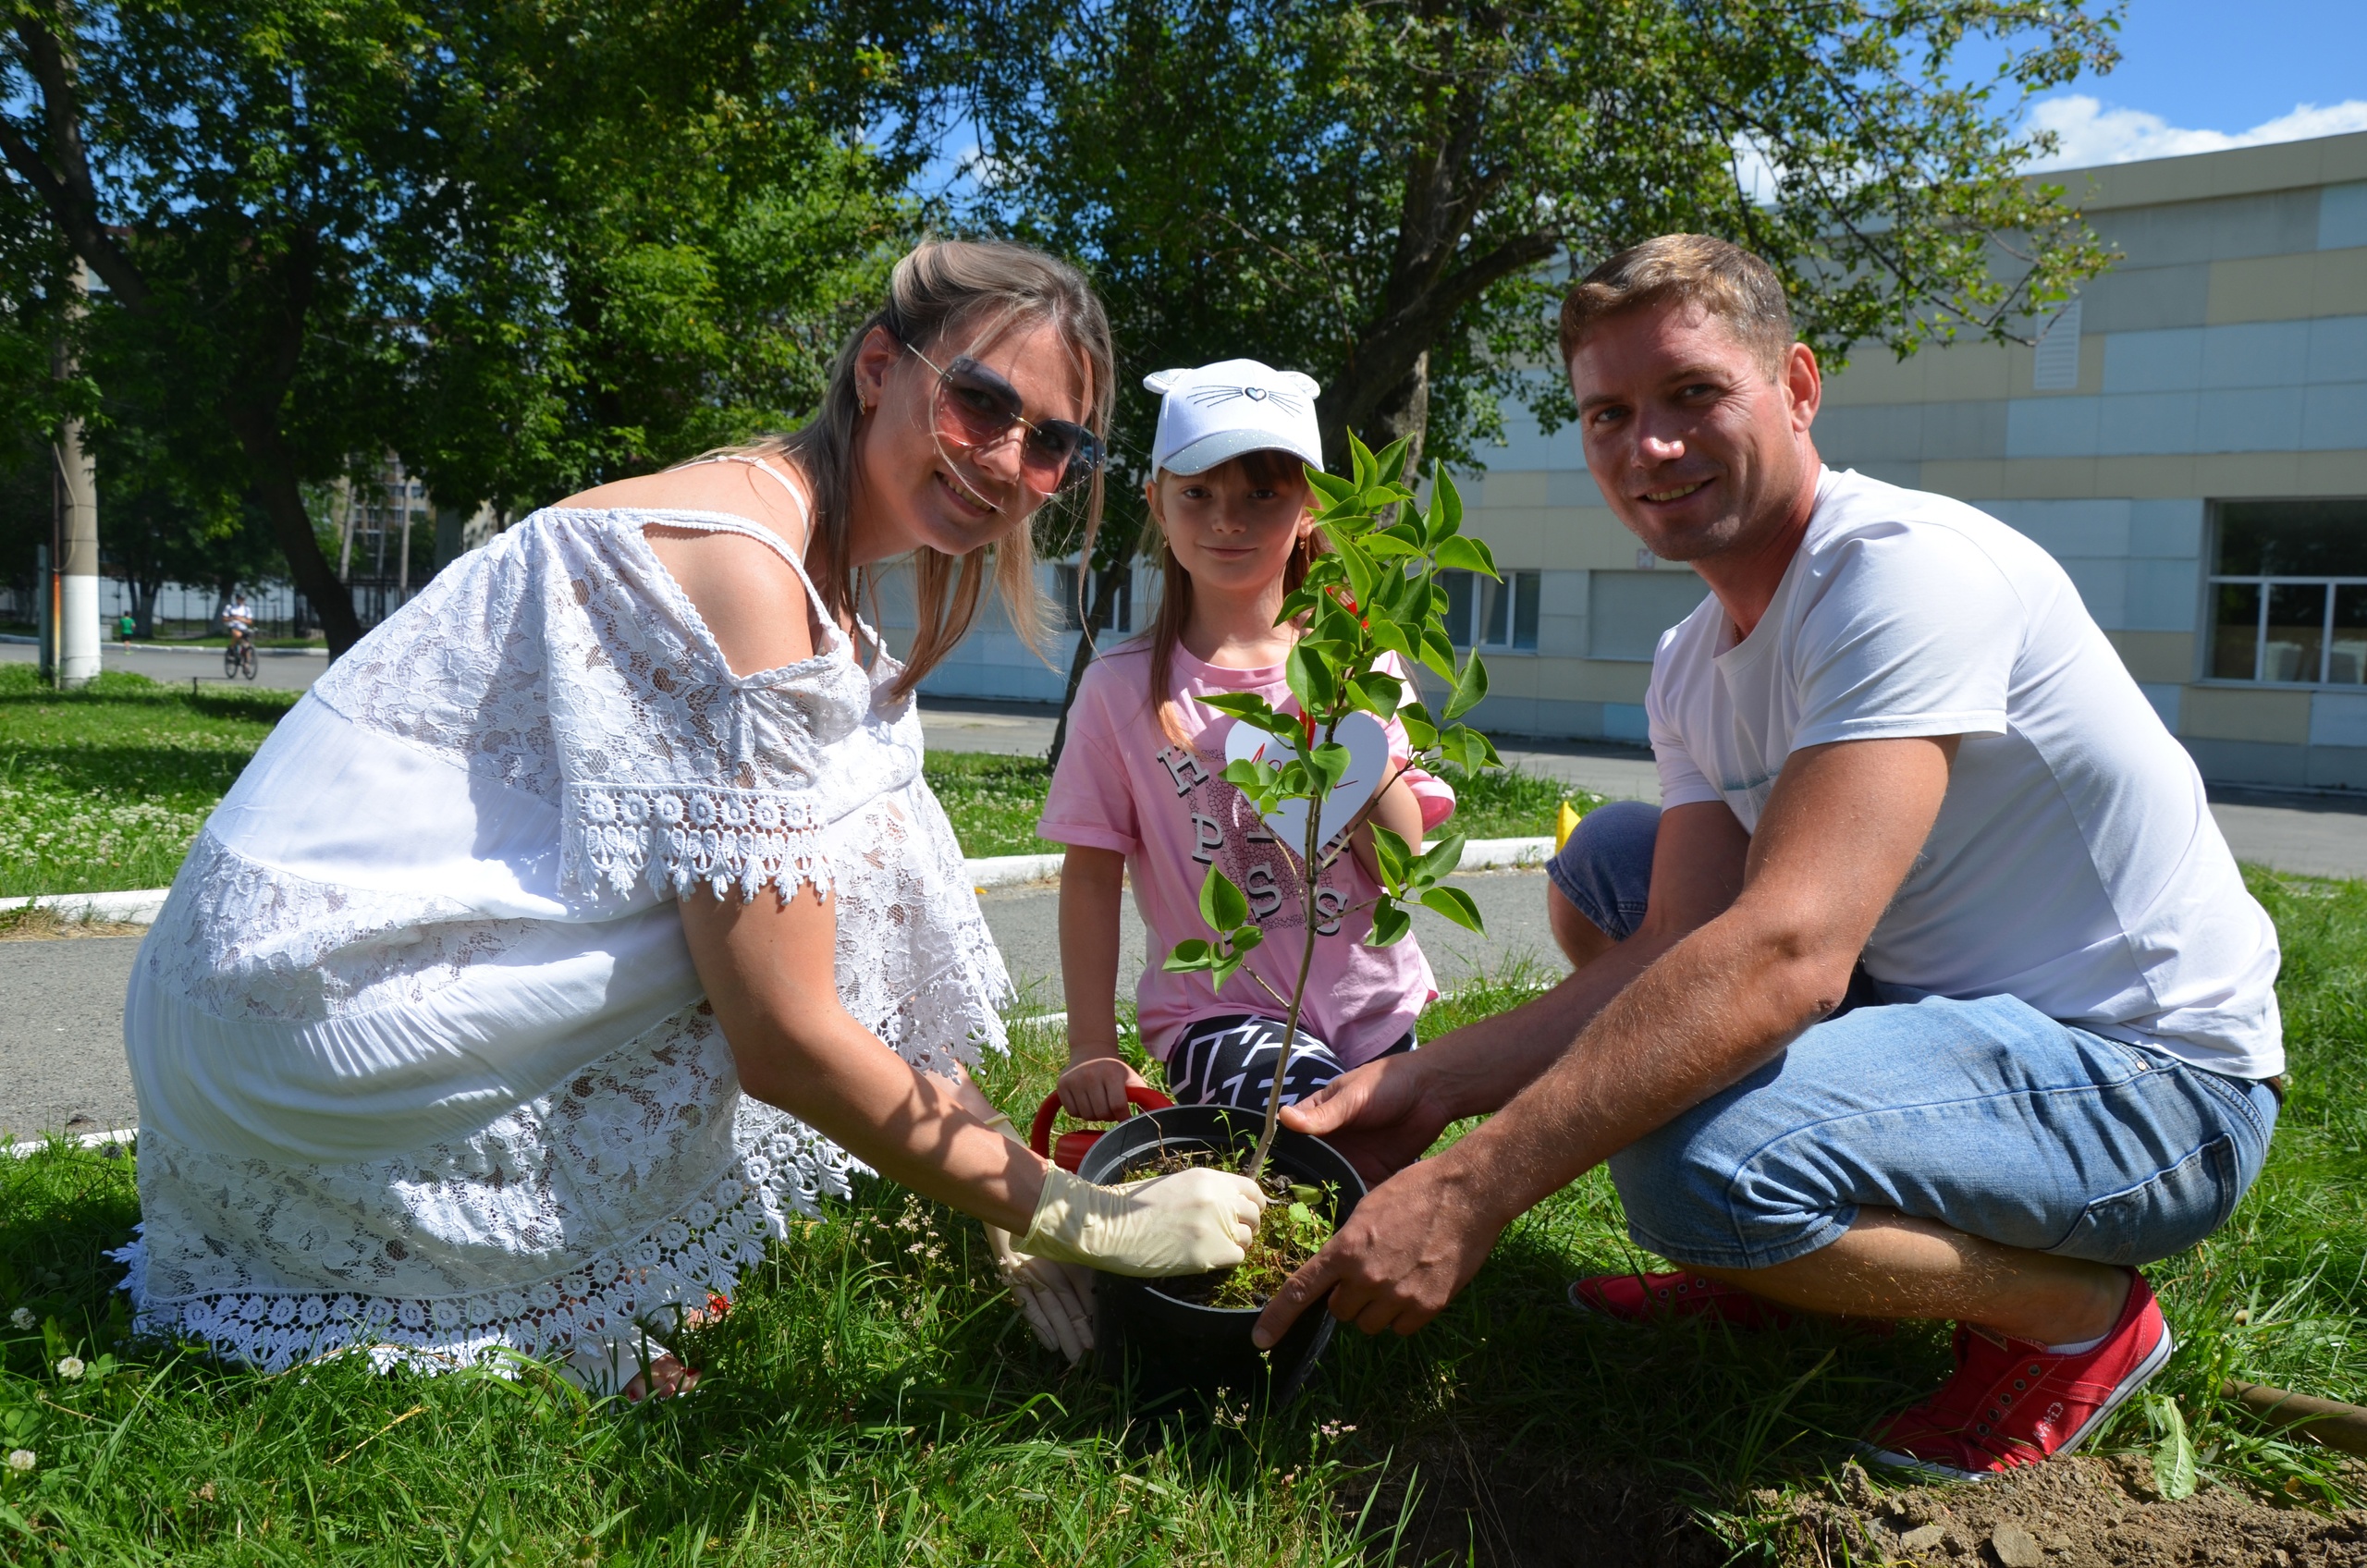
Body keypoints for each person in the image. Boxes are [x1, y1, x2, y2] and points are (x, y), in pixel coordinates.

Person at [117, 240, 1263, 1398]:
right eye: (979, 402)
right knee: (768, 927)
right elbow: (781, 1032)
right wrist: (1092, 1219)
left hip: (260, 999)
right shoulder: (742, 567)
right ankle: (548, 1295)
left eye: (1056, 441)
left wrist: (1000, 1200)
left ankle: (557, 1273)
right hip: (294, 1005)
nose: (1009, 459)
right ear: (879, 369)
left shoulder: (808, 573)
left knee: (824, 862)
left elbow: (878, 936)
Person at [1252, 235, 2284, 1481]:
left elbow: (1789, 955)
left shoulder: (1901, 577)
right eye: (1609, 414)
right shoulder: (1694, 659)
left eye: (1694, 393)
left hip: (2151, 1083)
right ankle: (1803, 1275)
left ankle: (2074, 1322)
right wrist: (1424, 1091)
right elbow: (1672, 945)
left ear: (1796, 387)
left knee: (1696, 1169)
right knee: (1616, 873)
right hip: (1964, 1010)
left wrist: (1473, 1189)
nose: (1652, 447)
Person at [1038, 360, 1456, 1123]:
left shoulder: (1358, 660)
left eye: (1263, 492)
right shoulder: (1122, 690)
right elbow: (1091, 874)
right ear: (1157, 505)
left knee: (1361, 1168)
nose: (1227, 517)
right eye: (1197, 492)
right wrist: (1091, 1042)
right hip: (1218, 1015)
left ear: (1310, 508)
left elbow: (1402, 868)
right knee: (1311, 1134)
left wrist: (1343, 722)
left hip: (1375, 1010)